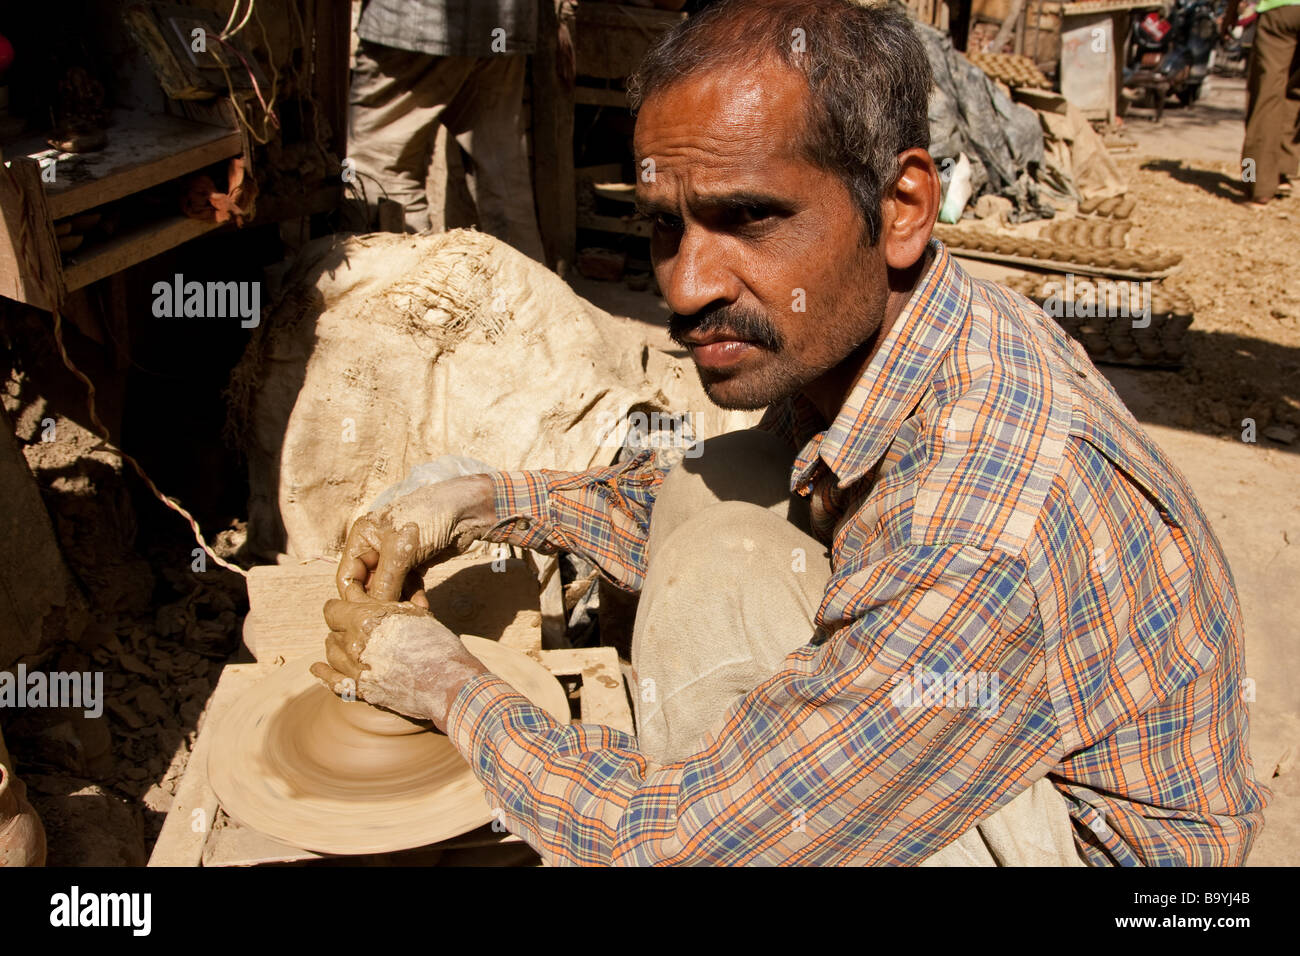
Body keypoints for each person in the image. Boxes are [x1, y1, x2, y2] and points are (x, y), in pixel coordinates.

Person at [312, 0, 1267, 866]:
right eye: (665, 229)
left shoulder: (983, 523)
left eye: (749, 218)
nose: (686, 288)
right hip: (999, 730)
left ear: (901, 208)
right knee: (722, 475)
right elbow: (687, 492)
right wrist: (484, 500)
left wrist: (448, 687)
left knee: (719, 579)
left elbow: (684, 843)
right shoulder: (881, 330)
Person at [347, 0, 546, 257]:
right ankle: (527, 294)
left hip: (415, 23)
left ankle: (408, 291)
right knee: (502, 171)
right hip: (502, 28)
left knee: (380, 166)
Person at [1224, 0, 1300, 203]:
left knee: (1265, 98)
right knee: (1294, 93)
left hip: (1279, 11)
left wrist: (1231, 13)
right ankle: (1283, 173)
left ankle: (1255, 181)